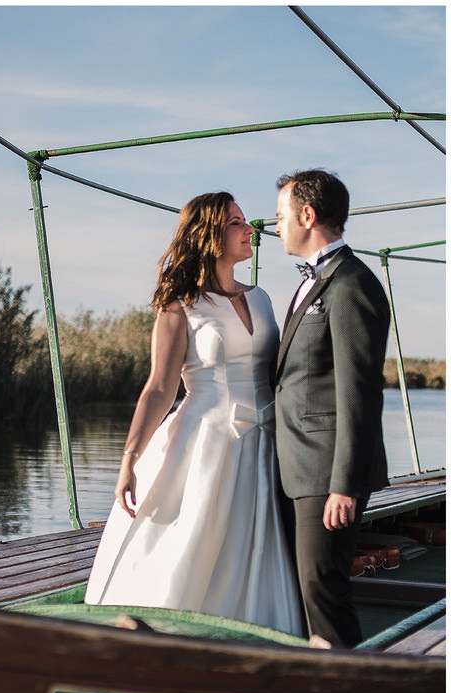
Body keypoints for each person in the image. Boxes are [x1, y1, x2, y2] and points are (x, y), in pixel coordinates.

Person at [84, 192, 303, 635]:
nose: (250, 230)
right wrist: (129, 459)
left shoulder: (261, 298)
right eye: (238, 223)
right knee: (190, 544)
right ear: (210, 235)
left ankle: (252, 633)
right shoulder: (179, 302)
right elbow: (160, 387)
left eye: (247, 222)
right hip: (204, 438)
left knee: (252, 547)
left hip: (264, 442)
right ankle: (167, 628)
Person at [272, 170, 389, 648]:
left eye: (280, 216)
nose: (275, 225)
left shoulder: (350, 284)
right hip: (294, 466)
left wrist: (344, 484)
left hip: (325, 473)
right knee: (304, 589)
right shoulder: (313, 282)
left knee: (324, 588)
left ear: (307, 214)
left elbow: (358, 392)